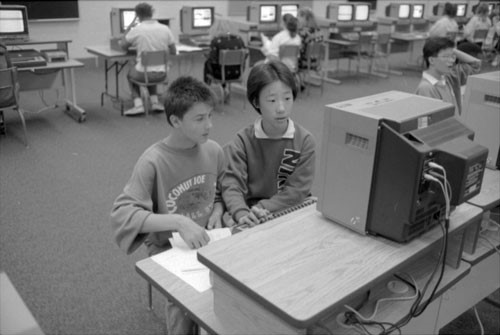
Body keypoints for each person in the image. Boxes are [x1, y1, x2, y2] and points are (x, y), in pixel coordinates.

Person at [110, 76, 225, 333]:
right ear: (175, 121)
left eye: (210, 116)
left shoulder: (214, 150)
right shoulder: (153, 161)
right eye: (199, 119)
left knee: (231, 291)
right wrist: (179, 222)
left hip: (208, 239)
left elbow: (221, 192)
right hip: (167, 247)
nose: (209, 125)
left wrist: (217, 209)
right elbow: (122, 215)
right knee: (185, 302)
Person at [222, 60, 316, 226]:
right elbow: (232, 184)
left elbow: (296, 191)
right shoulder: (242, 141)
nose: (281, 108)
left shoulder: (304, 140)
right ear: (257, 102)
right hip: (250, 214)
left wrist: (262, 207)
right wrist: (241, 212)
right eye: (272, 101)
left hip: (287, 210)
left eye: (287, 98)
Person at [119, 2, 177, 116]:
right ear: (152, 13)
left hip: (144, 74)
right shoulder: (165, 28)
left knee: (132, 73)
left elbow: (123, 46)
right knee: (151, 68)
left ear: (138, 15)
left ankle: (138, 105)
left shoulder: (137, 29)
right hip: (162, 73)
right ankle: (155, 102)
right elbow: (174, 51)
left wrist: (129, 28)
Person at [415, 37, 481, 117]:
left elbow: (476, 64)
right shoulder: (426, 88)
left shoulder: (449, 77)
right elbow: (431, 121)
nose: (451, 61)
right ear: (432, 60)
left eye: (453, 57)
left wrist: (452, 49)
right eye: (446, 57)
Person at [203, 19, 246, 101]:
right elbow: (245, 56)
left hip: (220, 74)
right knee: (224, 65)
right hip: (237, 73)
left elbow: (213, 59)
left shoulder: (216, 41)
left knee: (207, 63)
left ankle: (206, 93)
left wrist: (207, 56)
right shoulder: (239, 40)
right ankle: (225, 89)